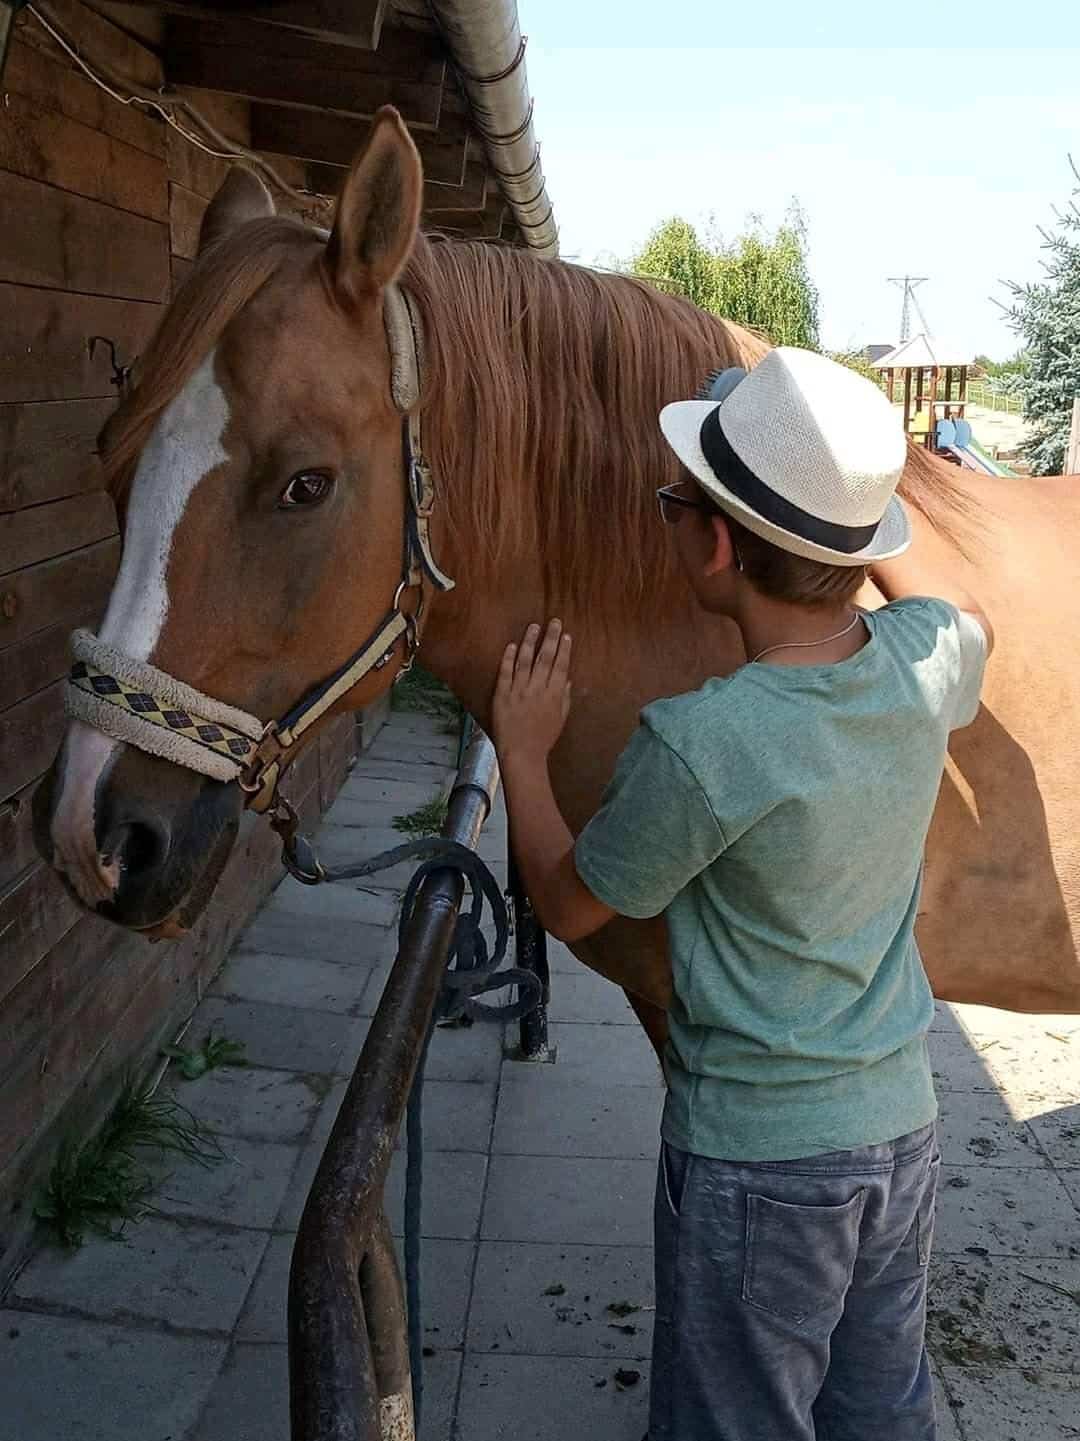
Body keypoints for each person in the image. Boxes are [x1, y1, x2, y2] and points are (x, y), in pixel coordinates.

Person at [489, 347, 992, 1441]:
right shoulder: (925, 661)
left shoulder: (703, 741)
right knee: (881, 1405)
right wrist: (853, 519)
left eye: (676, 504)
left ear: (715, 545)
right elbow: (959, 616)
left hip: (757, 1159)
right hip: (901, 1131)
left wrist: (520, 751)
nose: (667, 517)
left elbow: (570, 907)